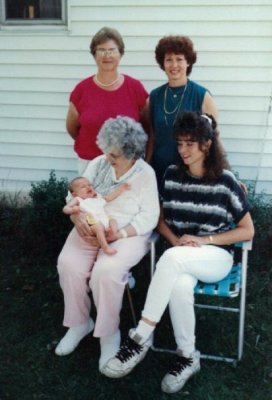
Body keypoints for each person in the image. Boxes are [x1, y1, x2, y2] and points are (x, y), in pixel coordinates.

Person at [101, 112, 255, 394]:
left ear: (206, 144)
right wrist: (175, 240)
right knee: (179, 285)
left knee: (171, 260)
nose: (182, 150)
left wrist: (203, 239)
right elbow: (160, 219)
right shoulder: (172, 176)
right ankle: (187, 356)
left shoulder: (225, 181)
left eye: (190, 144)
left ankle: (140, 337)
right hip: (182, 256)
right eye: (180, 143)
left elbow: (247, 230)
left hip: (215, 256)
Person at [55, 116, 160, 372]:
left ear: (130, 151)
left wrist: (121, 234)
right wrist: (78, 218)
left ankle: (108, 334)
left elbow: (149, 216)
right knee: (68, 265)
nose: (107, 158)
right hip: (91, 225)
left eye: (113, 154)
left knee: (106, 272)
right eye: (106, 151)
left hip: (126, 233)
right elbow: (74, 193)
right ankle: (79, 323)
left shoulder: (145, 174)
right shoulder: (98, 163)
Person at [66, 26, 149, 174]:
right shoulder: (81, 90)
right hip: (89, 166)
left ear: (121, 54)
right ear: (94, 54)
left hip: (126, 166)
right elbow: (72, 129)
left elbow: (148, 128)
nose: (107, 55)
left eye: (112, 50)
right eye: (101, 50)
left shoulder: (135, 88)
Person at [146, 35, 218, 184]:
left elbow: (214, 139)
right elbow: (152, 137)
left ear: (188, 62)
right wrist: (145, 167)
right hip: (159, 171)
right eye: (169, 60)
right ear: (163, 63)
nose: (174, 65)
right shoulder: (154, 96)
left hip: (190, 172)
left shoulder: (202, 95)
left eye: (179, 59)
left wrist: (225, 173)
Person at [63, 176, 131, 255]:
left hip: (105, 219)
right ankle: (105, 247)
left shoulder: (98, 197)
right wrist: (72, 210)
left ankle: (112, 233)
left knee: (113, 220)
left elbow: (109, 197)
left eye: (89, 185)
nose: (88, 187)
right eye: (83, 187)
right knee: (99, 228)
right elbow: (65, 208)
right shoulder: (78, 199)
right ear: (74, 194)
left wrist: (121, 189)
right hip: (93, 221)